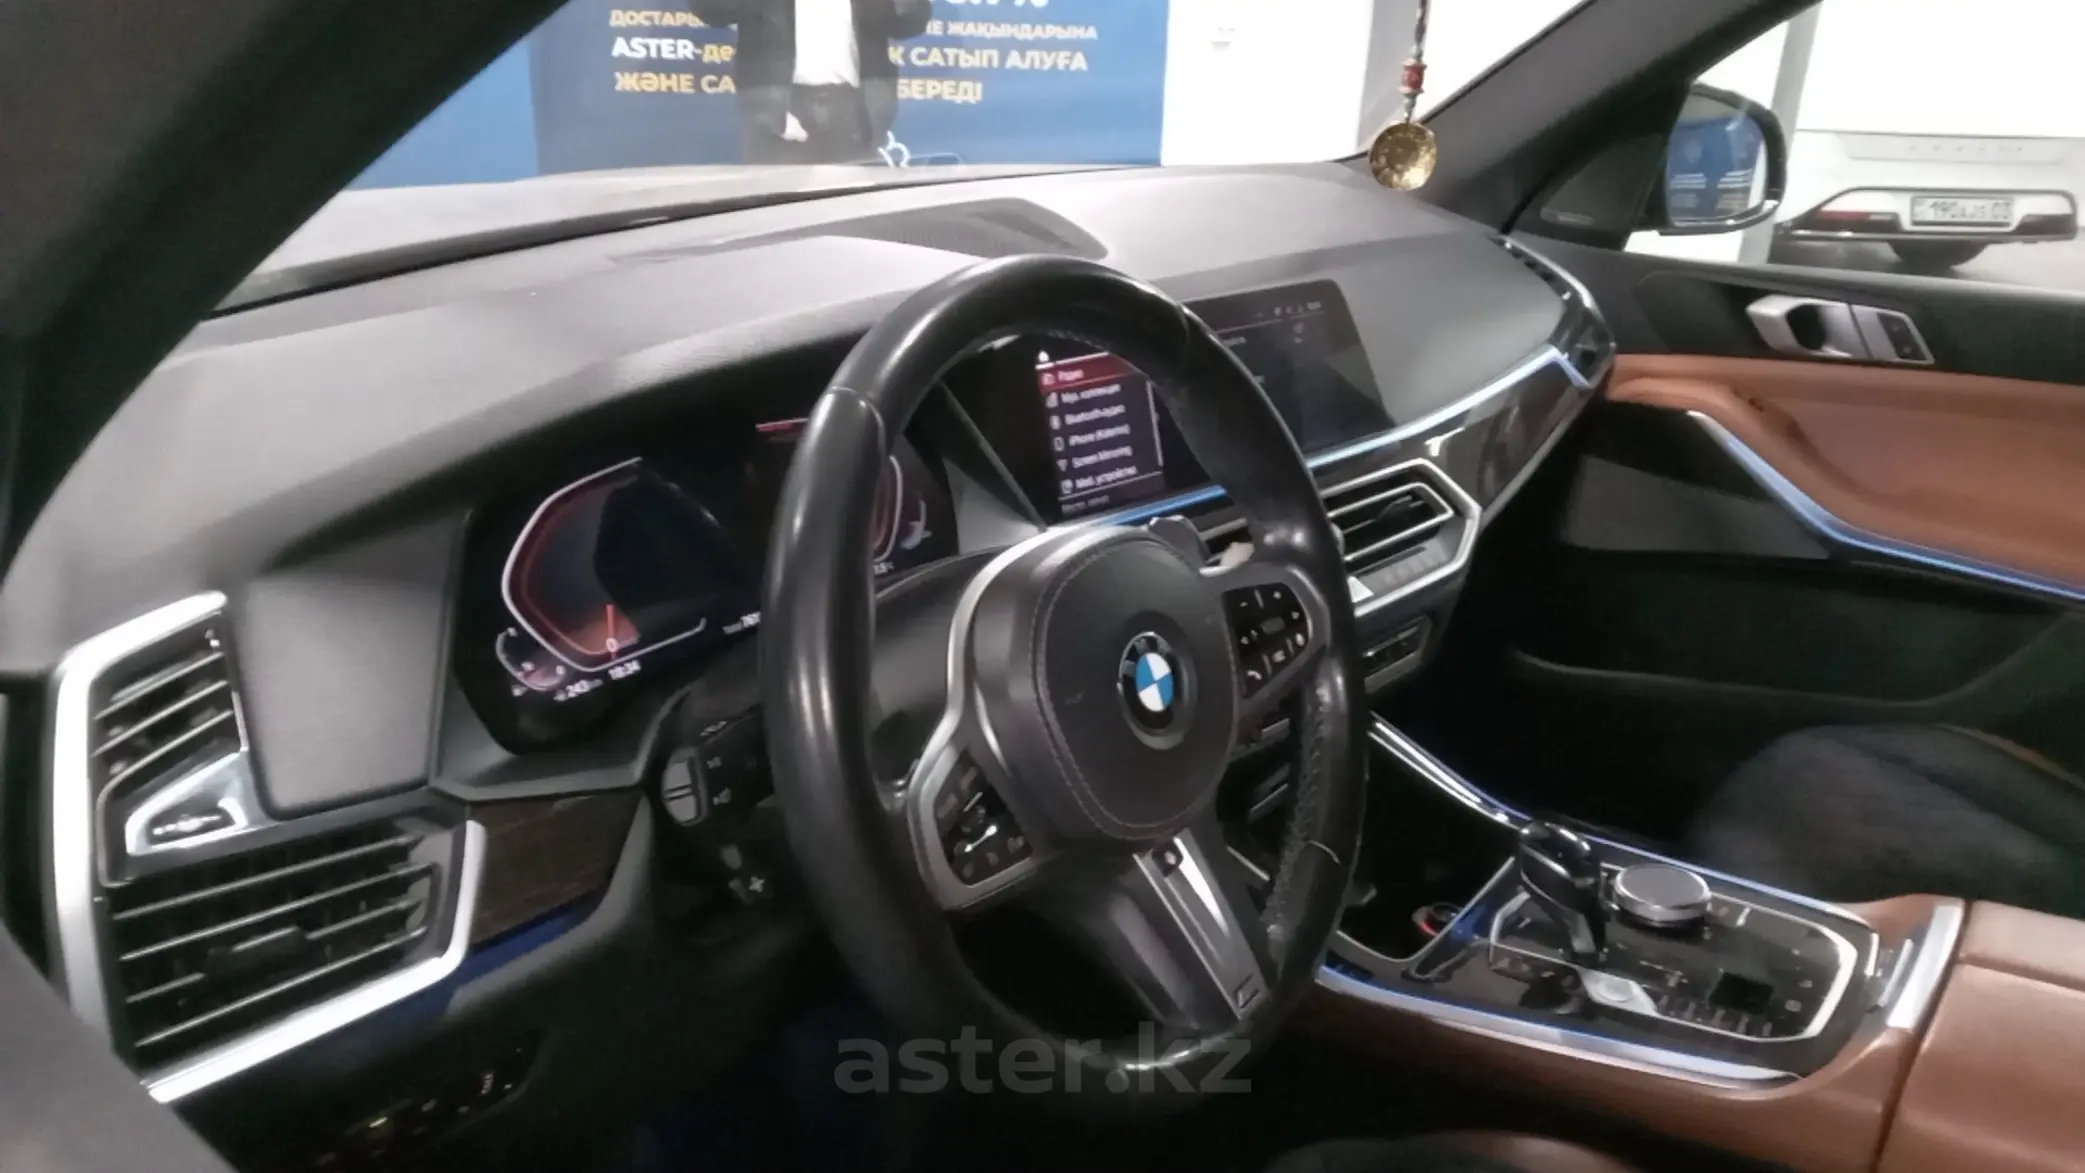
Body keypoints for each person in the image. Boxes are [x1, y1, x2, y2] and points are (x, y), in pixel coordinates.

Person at [690, 0, 932, 164]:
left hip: (854, 115)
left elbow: (910, 22)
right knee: (775, 219)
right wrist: (770, 113)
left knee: (852, 217)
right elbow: (710, 9)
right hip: (778, 113)